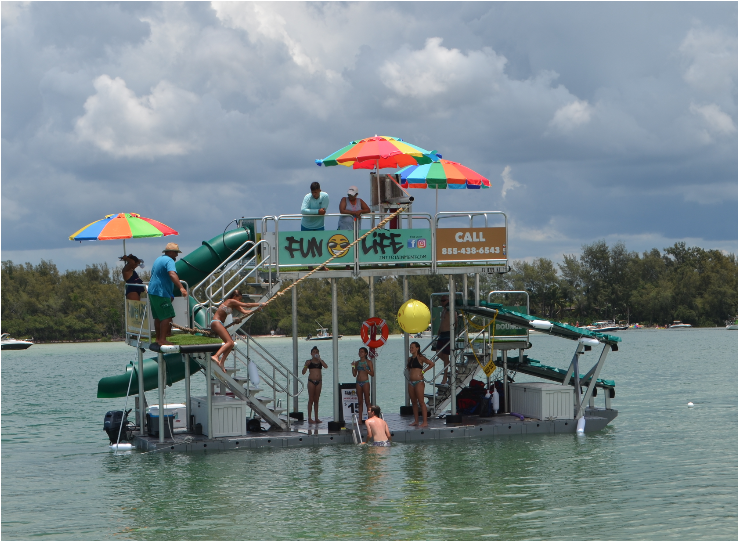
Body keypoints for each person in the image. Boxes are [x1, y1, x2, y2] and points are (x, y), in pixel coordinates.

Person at [209, 290, 263, 370]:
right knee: (229, 342)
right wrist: (260, 304)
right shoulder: (230, 301)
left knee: (231, 344)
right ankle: (216, 356)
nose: (239, 301)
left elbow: (244, 311)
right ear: (234, 297)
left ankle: (221, 362)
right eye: (239, 299)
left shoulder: (234, 304)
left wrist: (255, 310)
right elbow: (246, 305)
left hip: (220, 323)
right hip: (216, 322)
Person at [148, 243, 187, 346]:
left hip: (153, 291)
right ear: (169, 252)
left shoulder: (158, 259)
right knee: (167, 317)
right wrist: (181, 287)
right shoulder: (169, 260)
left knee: (158, 317)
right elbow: (172, 273)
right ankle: (162, 340)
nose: (176, 256)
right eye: (175, 253)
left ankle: (158, 338)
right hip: (161, 292)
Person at [407, 341, 434, 427]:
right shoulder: (409, 359)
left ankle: (425, 422)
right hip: (411, 382)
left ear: (417, 348)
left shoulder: (420, 357)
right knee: (414, 402)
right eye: (410, 347)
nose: (411, 349)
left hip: (419, 382)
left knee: (421, 402)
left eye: (412, 347)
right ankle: (416, 421)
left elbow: (431, 363)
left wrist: (423, 371)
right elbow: (409, 369)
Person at [433, 295, 457, 385]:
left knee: (446, 355)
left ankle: (445, 377)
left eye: (444, 300)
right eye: (441, 300)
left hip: (448, 334)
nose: (442, 302)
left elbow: (455, 320)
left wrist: (454, 332)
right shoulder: (443, 310)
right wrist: (439, 330)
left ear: (448, 301)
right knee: (438, 352)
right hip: (442, 334)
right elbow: (442, 321)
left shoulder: (451, 310)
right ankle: (453, 366)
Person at [302, 346, 328, 423]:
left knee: (316, 400)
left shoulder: (320, 362)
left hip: (319, 381)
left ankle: (316, 418)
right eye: (314, 352)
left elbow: (326, 366)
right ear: (311, 354)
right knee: (311, 399)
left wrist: (319, 359)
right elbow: (303, 372)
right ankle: (309, 418)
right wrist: (306, 365)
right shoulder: (309, 362)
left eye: (316, 352)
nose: (315, 353)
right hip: (311, 381)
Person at [351, 347, 375, 424]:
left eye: (362, 352)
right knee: (360, 401)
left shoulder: (369, 362)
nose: (360, 353)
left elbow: (372, 374)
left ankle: (370, 418)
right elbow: (354, 374)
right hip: (358, 382)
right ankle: (360, 420)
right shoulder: (357, 363)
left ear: (365, 353)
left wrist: (366, 369)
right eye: (359, 352)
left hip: (365, 382)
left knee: (367, 401)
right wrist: (353, 367)